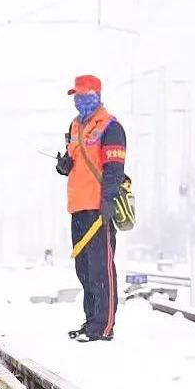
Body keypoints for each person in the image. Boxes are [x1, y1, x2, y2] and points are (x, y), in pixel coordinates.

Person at [55, 74, 126, 343]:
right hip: (78, 207)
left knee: (101, 269)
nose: (80, 101)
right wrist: (64, 167)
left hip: (99, 209)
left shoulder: (110, 127)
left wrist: (108, 200)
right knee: (84, 270)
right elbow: (74, 161)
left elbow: (114, 168)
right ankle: (91, 321)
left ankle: (104, 327)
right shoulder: (74, 127)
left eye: (85, 96)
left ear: (96, 96)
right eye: (77, 96)